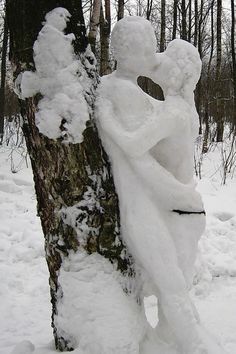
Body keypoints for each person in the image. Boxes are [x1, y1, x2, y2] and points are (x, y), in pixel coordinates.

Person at [96, 16, 222, 354]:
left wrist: (106, 119)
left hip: (180, 208)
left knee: (173, 289)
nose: (157, 61)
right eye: (154, 52)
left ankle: (193, 347)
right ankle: (172, 342)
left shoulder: (173, 112)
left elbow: (136, 146)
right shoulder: (177, 108)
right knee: (173, 289)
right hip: (182, 209)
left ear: (177, 75)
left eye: (163, 57)